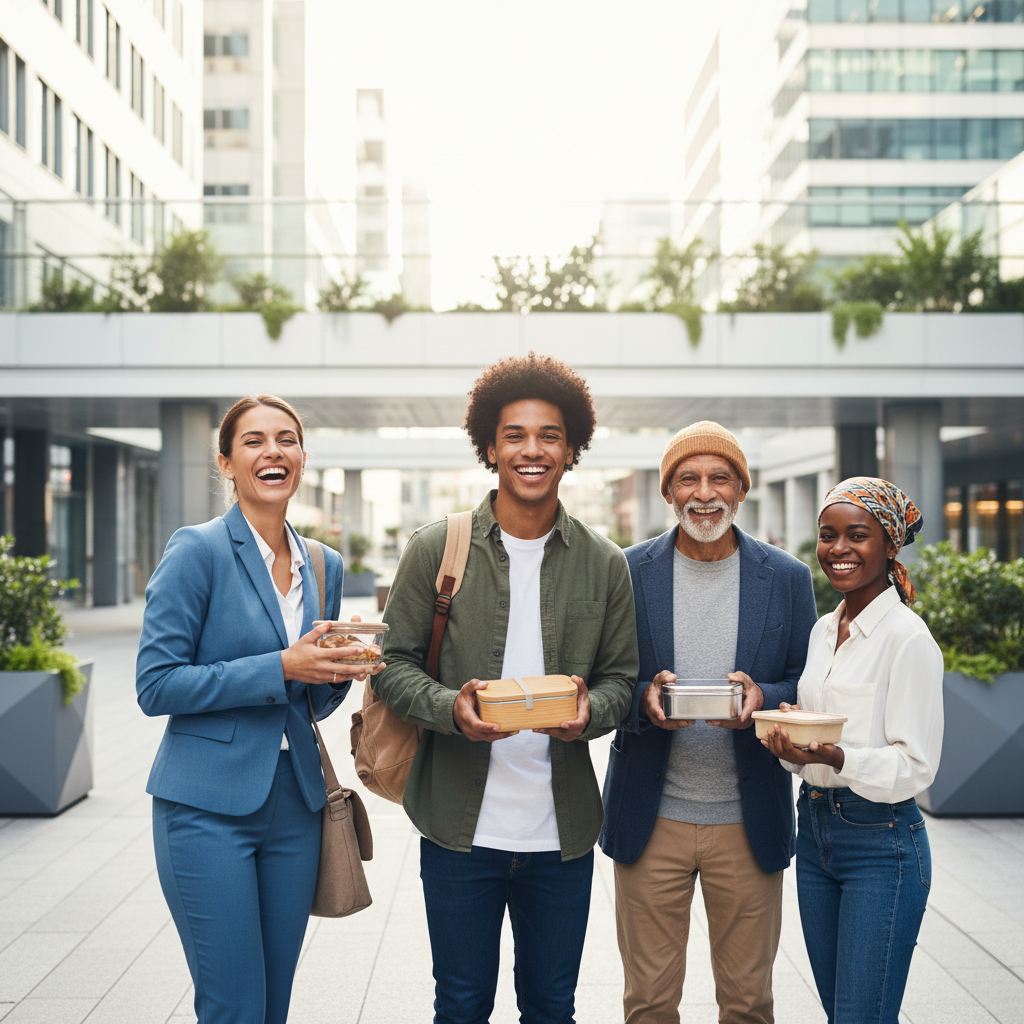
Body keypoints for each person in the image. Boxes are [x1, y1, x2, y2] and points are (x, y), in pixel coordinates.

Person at [374, 352, 639, 1024]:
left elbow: (622, 681)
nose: (532, 450)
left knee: (552, 1007)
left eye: (549, 435)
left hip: (562, 832)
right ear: (489, 446)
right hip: (460, 830)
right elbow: (393, 663)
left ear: (572, 448)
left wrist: (589, 713)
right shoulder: (438, 548)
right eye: (515, 435)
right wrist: (449, 709)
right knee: (461, 1005)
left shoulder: (605, 564)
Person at [136, 394, 383, 1024]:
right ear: (226, 463)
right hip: (204, 808)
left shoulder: (323, 563)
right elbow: (156, 685)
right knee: (234, 1006)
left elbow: (307, 704)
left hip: (295, 807)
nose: (273, 451)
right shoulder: (197, 551)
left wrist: (339, 671)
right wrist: (281, 666)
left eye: (287, 439)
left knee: (273, 1004)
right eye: (253, 441)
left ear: (302, 460)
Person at [600, 420, 818, 1024]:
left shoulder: (789, 578)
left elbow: (808, 681)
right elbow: (602, 677)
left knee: (749, 1003)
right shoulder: (626, 570)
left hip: (748, 819)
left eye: (720, 477)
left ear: (742, 489)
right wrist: (644, 696)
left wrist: (764, 694)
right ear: (669, 491)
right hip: (652, 816)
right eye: (688, 478)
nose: (705, 492)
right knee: (647, 1002)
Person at [761, 477, 943, 1024]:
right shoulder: (822, 631)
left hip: (880, 842)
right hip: (814, 835)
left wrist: (839, 758)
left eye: (856, 535)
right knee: (841, 1011)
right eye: (827, 535)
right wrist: (790, 741)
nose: (838, 549)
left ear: (889, 544)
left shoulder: (908, 640)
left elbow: (917, 766)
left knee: (861, 1015)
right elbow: (814, 748)